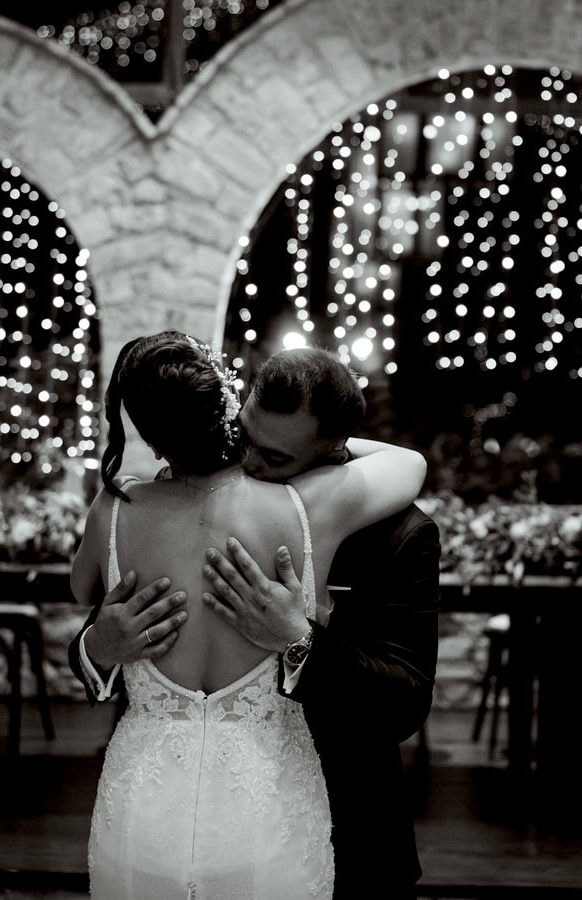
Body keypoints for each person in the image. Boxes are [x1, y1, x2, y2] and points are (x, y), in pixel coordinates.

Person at [70, 332, 427, 900]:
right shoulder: (313, 508)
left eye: (277, 455)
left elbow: (405, 703)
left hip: (334, 824)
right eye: (246, 438)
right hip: (186, 804)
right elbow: (408, 462)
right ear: (232, 411)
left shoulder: (118, 508)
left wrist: (300, 639)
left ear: (332, 449)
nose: (252, 462)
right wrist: (97, 648)